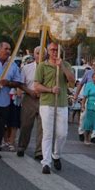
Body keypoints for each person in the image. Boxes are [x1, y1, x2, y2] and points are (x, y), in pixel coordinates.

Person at [34, 42, 75, 174]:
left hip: (62, 103)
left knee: (62, 134)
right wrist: (50, 89)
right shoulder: (42, 66)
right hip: (47, 103)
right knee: (47, 133)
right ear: (48, 51)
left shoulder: (66, 65)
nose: (54, 52)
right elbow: (36, 86)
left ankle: (56, 155)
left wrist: (61, 66)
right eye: (52, 50)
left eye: (57, 50)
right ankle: (46, 162)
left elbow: (72, 82)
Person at [17, 47, 43, 160]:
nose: (40, 55)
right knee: (26, 124)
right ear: (34, 54)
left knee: (42, 127)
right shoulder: (26, 68)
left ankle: (39, 151)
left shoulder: (49, 68)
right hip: (29, 98)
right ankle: (22, 147)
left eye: (42, 53)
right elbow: (21, 84)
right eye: (38, 53)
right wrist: (30, 91)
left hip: (44, 98)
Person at [81, 72, 95, 146]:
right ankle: (86, 139)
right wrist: (82, 106)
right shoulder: (88, 85)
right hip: (90, 106)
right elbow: (84, 97)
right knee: (88, 124)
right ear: (92, 78)